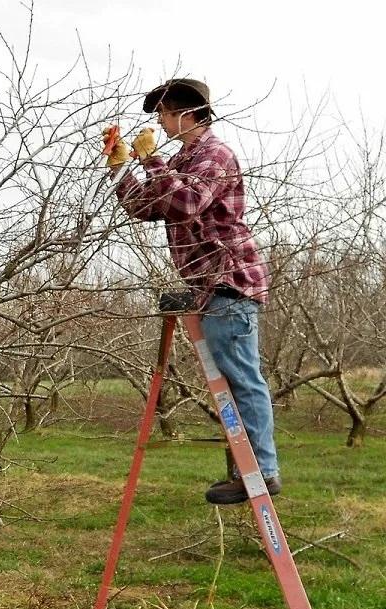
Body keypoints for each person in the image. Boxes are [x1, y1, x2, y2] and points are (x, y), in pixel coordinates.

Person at [105, 78, 280, 504]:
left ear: (187, 113)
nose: (160, 124)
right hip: (207, 287)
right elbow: (146, 207)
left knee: (242, 379)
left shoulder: (213, 155)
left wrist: (152, 162)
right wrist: (122, 168)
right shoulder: (183, 159)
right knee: (232, 380)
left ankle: (262, 473)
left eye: (163, 115)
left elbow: (185, 204)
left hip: (230, 279)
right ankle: (248, 472)